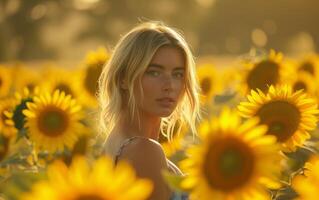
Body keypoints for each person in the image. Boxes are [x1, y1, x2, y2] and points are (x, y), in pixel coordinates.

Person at [98, 21, 201, 200]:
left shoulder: (114, 143)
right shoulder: (144, 150)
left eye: (178, 74)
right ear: (123, 78)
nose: (169, 86)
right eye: (154, 72)